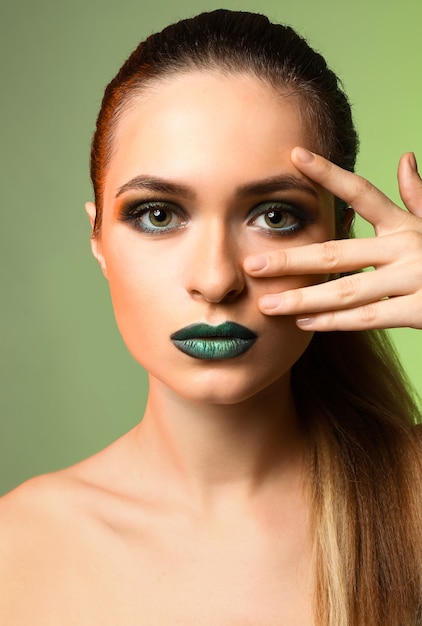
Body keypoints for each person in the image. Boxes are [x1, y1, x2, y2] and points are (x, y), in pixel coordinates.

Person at [1, 9, 421, 625]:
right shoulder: (17, 548)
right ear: (97, 239)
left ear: (342, 241)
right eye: (159, 215)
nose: (217, 280)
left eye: (275, 215)